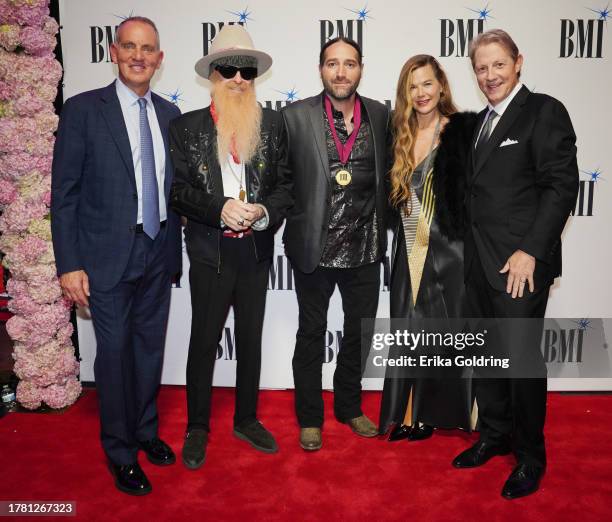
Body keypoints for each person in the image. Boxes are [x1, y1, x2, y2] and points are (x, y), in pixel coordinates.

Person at [51, 17, 182, 495]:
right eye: (130, 46)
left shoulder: (170, 115)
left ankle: (146, 432)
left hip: (158, 250)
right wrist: (68, 263)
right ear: (113, 50)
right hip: (104, 257)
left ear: (160, 58)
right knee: (114, 354)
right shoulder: (84, 110)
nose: (139, 55)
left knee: (149, 350)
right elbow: (63, 194)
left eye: (148, 48)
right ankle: (120, 451)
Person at [451, 29, 578, 499]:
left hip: (520, 266)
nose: (489, 76)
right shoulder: (481, 122)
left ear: (518, 62)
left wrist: (531, 251)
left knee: (522, 362)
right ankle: (495, 434)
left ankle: (530, 457)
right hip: (479, 267)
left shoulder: (544, 111)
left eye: (498, 65)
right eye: (481, 68)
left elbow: (562, 186)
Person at [168, 25, 291, 469]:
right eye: (228, 68)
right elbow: (177, 192)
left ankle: (246, 418)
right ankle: (197, 426)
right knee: (203, 341)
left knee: (251, 340)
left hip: (254, 252)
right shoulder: (185, 128)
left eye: (247, 70)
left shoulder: (273, 125)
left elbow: (285, 188)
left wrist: (263, 211)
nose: (238, 78)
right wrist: (219, 208)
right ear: (213, 75)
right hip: (209, 253)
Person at [280, 37, 391, 451]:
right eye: (332, 64)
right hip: (315, 247)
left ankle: (348, 406)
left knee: (359, 335)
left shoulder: (380, 115)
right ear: (320, 68)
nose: (341, 72)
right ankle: (310, 417)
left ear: (361, 69)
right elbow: (282, 181)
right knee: (311, 332)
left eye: (349, 64)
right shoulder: (294, 116)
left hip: (365, 246)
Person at [379, 55, 478, 441]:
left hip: (453, 249)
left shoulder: (462, 130)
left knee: (449, 332)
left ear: (441, 85)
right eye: (412, 86)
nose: (420, 93)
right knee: (410, 329)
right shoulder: (399, 133)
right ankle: (409, 415)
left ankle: (446, 413)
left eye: (426, 84)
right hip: (410, 245)